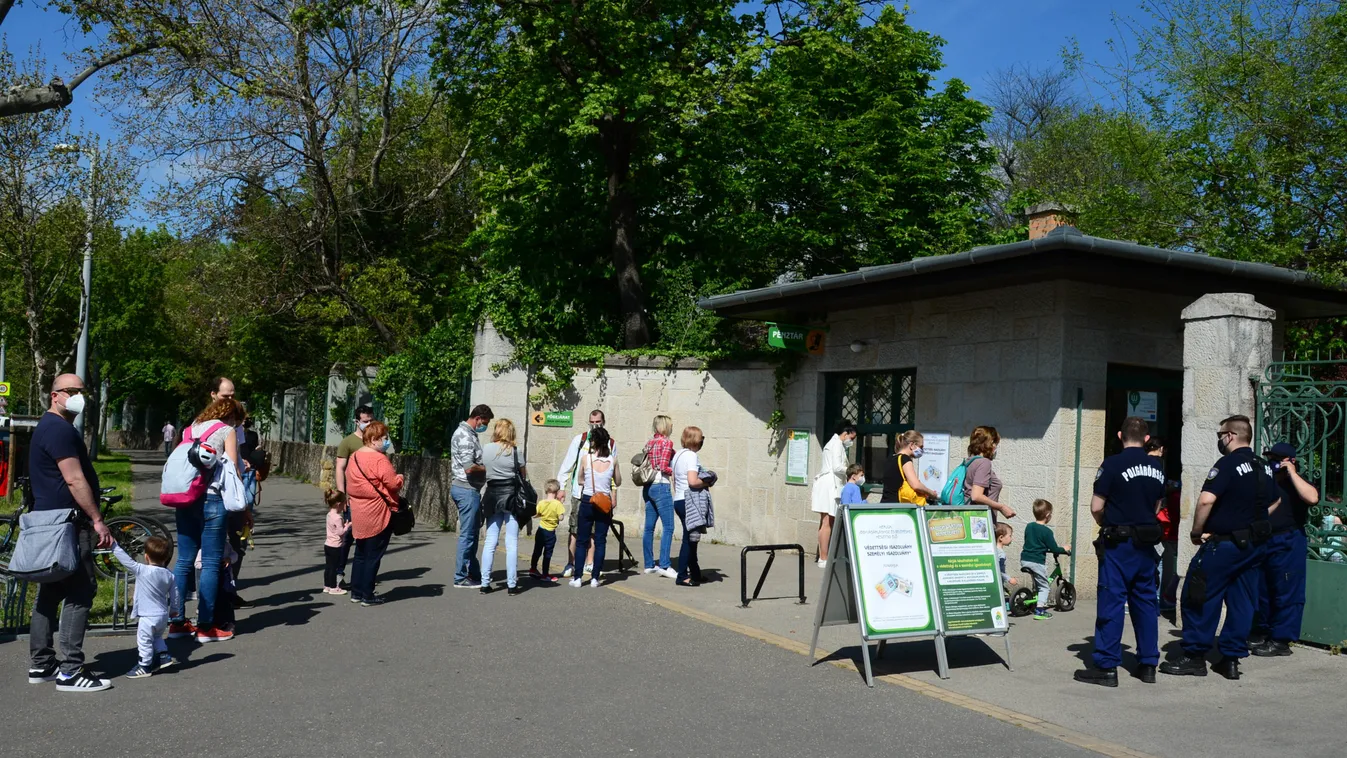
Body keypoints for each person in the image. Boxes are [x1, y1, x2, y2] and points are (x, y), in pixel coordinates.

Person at [1161, 414, 1279, 680]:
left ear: (1231, 436)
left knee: (1198, 593)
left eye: (1219, 435)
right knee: (1242, 600)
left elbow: (1205, 501)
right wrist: (1252, 520)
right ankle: (1231, 658)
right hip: (1255, 544)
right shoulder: (1264, 466)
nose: (1219, 440)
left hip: (1225, 544)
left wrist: (1196, 531)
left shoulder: (1227, 464)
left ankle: (1194, 655)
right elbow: (1275, 501)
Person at [26, 374, 115, 693]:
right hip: (68, 522)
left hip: (50, 520)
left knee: (50, 591)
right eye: (72, 391)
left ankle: (42, 664)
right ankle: (70, 671)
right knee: (81, 590)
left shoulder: (47, 428)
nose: (79, 396)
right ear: (54, 396)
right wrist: (97, 519)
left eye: (82, 391)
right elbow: (75, 480)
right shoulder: (60, 430)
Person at [1074, 416, 1166, 688]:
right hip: (1146, 544)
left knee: (1112, 602)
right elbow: (1158, 506)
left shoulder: (1111, 464)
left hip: (1119, 543)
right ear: (1147, 438)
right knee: (1146, 603)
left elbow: (1095, 506)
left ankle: (1105, 665)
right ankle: (1148, 664)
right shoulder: (1157, 466)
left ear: (1119, 435)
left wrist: (1107, 523)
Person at [168, 396, 244, 645]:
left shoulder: (190, 428)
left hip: (186, 498)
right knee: (211, 563)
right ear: (231, 416)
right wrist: (242, 505)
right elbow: (233, 467)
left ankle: (177, 622)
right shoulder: (226, 430)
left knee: (184, 561)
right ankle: (206, 626)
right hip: (212, 499)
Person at [1250, 441, 1319, 657]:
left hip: (1289, 540)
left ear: (1291, 461)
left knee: (1287, 591)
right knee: (1262, 589)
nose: (1274, 463)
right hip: (1265, 540)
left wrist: (1291, 473)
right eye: (1271, 459)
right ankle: (1262, 631)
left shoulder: (1298, 483)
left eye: (1278, 460)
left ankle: (1281, 640)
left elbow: (1312, 498)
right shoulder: (1265, 481)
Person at [345, 421, 404, 606]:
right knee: (374, 555)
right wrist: (401, 478)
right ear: (373, 439)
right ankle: (367, 595)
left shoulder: (354, 457)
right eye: (384, 438)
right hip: (378, 511)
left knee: (361, 552)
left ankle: (356, 592)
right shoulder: (379, 459)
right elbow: (393, 484)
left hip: (359, 510)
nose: (387, 442)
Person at [556, 410, 614, 578]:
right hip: (580, 493)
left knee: (595, 532)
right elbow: (567, 465)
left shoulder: (610, 443)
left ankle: (590, 563)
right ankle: (571, 563)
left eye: (598, 422)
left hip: (601, 495)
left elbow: (612, 472)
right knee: (575, 530)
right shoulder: (580, 440)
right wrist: (562, 487)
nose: (595, 424)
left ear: (603, 421)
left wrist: (613, 494)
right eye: (592, 422)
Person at [112, 538, 179, 679]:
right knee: (157, 637)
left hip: (147, 616)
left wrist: (113, 545)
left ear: (146, 557)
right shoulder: (169, 575)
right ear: (166, 558)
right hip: (162, 615)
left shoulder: (141, 570)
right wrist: (174, 608)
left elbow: (126, 561)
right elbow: (175, 594)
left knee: (144, 640)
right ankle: (163, 656)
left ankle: (144, 666)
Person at [480, 418, 528, 596]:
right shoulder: (516, 451)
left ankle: (485, 583)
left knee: (490, 541)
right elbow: (524, 476)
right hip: (511, 496)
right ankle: (512, 585)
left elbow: (483, 470)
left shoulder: (486, 449)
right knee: (512, 542)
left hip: (492, 495)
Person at [569, 426, 622, 588]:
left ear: (593, 442)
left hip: (587, 501)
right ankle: (595, 578)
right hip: (604, 503)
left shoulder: (586, 458)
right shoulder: (613, 460)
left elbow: (579, 480)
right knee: (600, 541)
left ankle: (577, 578)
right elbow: (618, 481)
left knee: (581, 541)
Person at [332, 405, 375, 590]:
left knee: (367, 538)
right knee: (348, 536)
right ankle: (338, 573)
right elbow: (340, 468)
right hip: (352, 498)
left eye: (371, 420)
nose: (369, 424)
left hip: (372, 499)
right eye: (365, 421)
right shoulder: (348, 442)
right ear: (357, 421)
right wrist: (343, 494)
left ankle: (361, 576)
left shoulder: (375, 441)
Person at [450, 404, 493, 589]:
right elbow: (469, 466)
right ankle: (460, 577)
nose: (485, 426)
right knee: (468, 535)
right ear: (478, 418)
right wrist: (488, 467)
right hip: (466, 489)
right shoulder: (466, 436)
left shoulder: (468, 433)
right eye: (485, 422)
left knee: (473, 533)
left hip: (469, 489)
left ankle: (473, 572)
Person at [811, 420, 856, 568]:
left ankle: (823, 555)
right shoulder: (836, 444)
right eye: (852, 438)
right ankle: (824, 558)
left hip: (828, 484)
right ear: (846, 433)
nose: (852, 441)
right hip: (830, 485)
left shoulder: (833, 443)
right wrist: (852, 470)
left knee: (826, 521)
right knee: (826, 522)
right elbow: (837, 467)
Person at [1146, 437, 1180, 617]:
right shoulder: (1158, 464)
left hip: (1142, 521)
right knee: (1156, 562)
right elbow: (1159, 495)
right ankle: (1156, 600)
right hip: (1157, 522)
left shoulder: (1142, 462)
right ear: (1160, 449)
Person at [1020, 499, 1070, 620]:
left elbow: (1031, 542)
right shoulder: (1047, 531)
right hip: (1037, 562)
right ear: (1048, 515)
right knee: (1044, 587)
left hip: (1025, 559)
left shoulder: (1029, 526)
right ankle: (1040, 611)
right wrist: (1065, 549)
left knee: (1038, 582)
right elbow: (1054, 548)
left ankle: (1034, 601)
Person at [641, 414, 678, 578]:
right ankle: (664, 564)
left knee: (649, 527)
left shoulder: (649, 443)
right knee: (669, 527)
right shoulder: (666, 442)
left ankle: (649, 564)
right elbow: (663, 466)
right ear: (665, 427)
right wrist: (674, 471)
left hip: (648, 486)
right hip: (661, 485)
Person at [672, 426, 706, 588]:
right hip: (689, 500)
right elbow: (693, 481)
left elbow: (675, 480)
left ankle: (695, 572)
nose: (702, 441)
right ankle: (682, 576)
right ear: (694, 440)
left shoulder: (678, 455)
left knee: (691, 538)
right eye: (701, 438)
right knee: (689, 539)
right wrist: (707, 481)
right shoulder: (692, 456)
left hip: (679, 499)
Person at [963, 426, 1016, 521]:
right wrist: (1001, 507)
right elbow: (976, 496)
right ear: (989, 443)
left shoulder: (969, 461)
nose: (995, 447)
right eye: (995, 443)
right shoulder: (984, 463)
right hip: (981, 522)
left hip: (970, 518)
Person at [881, 431, 941, 504]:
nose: (922, 450)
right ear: (912, 445)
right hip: (898, 506)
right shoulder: (905, 459)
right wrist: (932, 494)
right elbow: (916, 485)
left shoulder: (890, 459)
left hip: (885, 504)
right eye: (921, 447)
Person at [530, 480, 566, 582]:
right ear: (557, 491)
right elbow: (561, 518)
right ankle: (545, 574)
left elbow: (536, 515)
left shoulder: (541, 503)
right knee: (547, 553)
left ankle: (533, 568)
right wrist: (561, 504)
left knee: (537, 550)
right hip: (550, 532)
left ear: (546, 491)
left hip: (540, 530)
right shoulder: (557, 504)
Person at [322, 489, 350, 595]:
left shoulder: (329, 515)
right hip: (335, 546)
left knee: (328, 566)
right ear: (339, 504)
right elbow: (340, 532)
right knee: (334, 567)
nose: (345, 505)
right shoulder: (338, 518)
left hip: (328, 544)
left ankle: (327, 585)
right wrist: (347, 526)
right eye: (344, 502)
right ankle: (334, 587)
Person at [994, 523, 1018, 603]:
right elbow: (998, 570)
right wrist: (1009, 579)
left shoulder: (995, 550)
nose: (1011, 538)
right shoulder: (1000, 553)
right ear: (1001, 538)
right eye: (1010, 536)